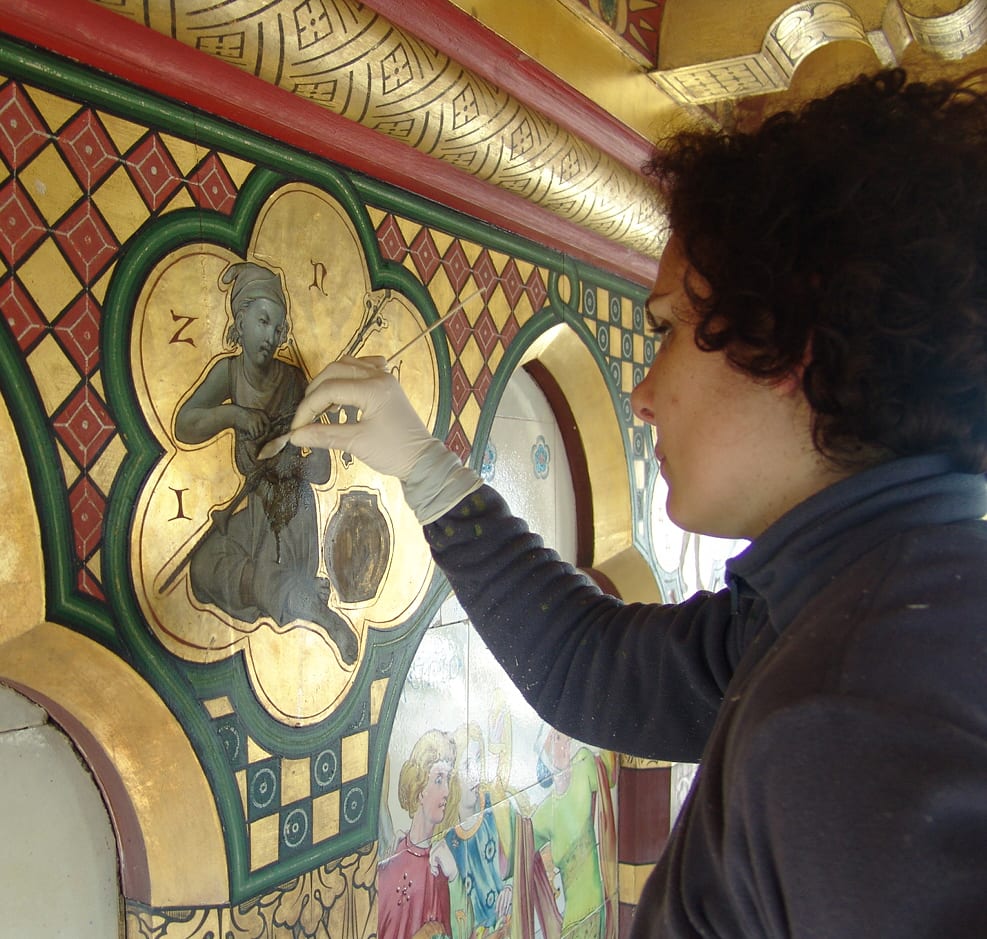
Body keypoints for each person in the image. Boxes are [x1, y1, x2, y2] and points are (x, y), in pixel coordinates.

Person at [290, 69, 987, 936]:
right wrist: (427, 472)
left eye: (663, 329)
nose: (643, 391)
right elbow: (600, 670)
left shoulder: (850, 713)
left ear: (787, 339)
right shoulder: (875, 600)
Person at [173, 261, 360, 665]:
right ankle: (298, 598)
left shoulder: (293, 381)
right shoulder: (229, 373)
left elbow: (322, 471)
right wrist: (234, 415)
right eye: (262, 321)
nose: (270, 337)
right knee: (203, 568)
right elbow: (185, 425)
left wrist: (295, 448)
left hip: (290, 513)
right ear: (239, 320)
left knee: (253, 567)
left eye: (277, 328)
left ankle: (313, 610)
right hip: (255, 509)